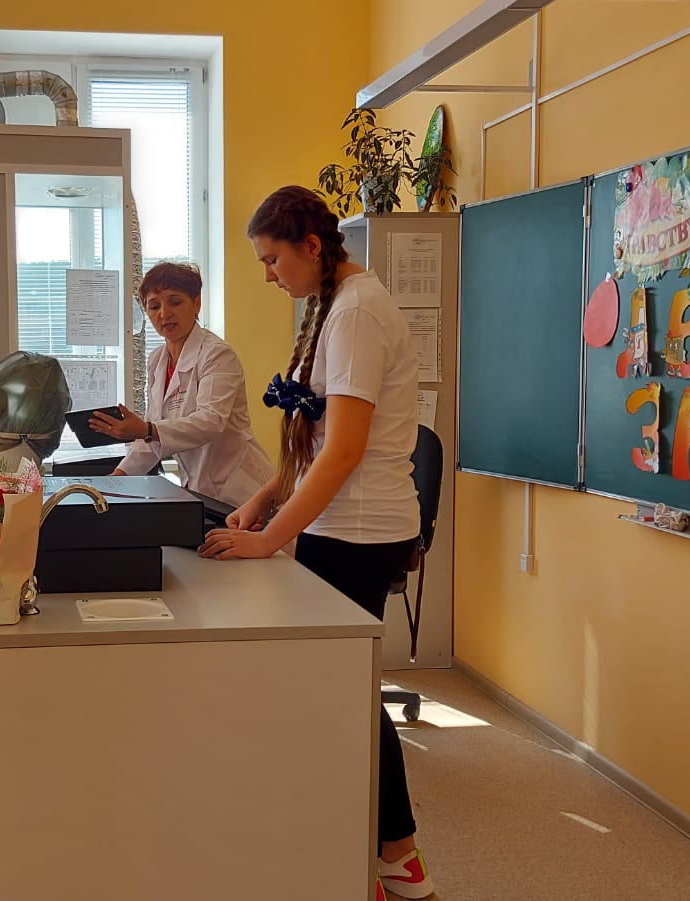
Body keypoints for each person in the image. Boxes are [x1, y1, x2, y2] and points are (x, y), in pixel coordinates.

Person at [197, 186, 435, 900]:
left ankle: (397, 855)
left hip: (361, 531)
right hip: (340, 524)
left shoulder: (357, 311)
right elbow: (317, 437)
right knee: (340, 690)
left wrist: (272, 538)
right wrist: (262, 499)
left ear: (310, 247)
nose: (268, 275)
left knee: (346, 693)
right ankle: (374, 848)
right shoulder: (331, 304)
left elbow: (345, 451)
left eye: (272, 260)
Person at [93, 261, 274, 508]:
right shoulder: (157, 360)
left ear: (196, 303)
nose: (164, 313)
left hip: (243, 491)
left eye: (175, 302)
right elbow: (151, 443)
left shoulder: (217, 354)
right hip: (200, 493)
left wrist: (146, 429)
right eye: (154, 306)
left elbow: (211, 422)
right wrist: (114, 481)